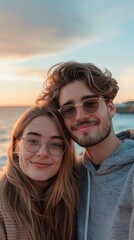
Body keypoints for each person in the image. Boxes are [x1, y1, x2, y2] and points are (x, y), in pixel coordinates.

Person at [36, 61, 134, 240]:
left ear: (110, 108)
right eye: (68, 110)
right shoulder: (70, 175)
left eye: (90, 103)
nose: (80, 116)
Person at [0, 104, 79, 240]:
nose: (43, 153)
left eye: (55, 144)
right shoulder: (3, 207)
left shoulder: (76, 193)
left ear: (66, 153)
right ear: (16, 146)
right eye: (32, 141)